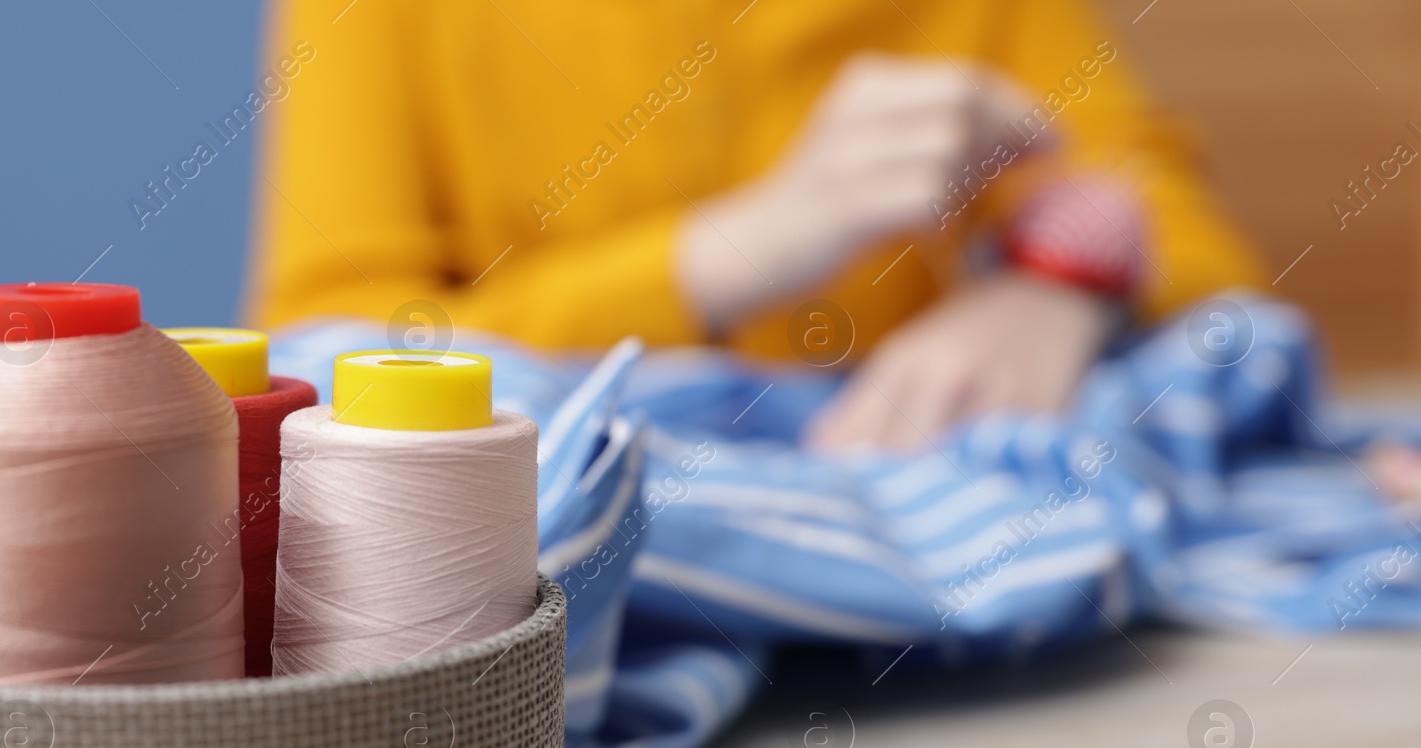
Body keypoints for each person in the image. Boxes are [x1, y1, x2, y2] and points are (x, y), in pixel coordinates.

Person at [244, 0, 1265, 451]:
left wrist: (1053, 285)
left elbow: (1190, 240)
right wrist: (736, 248)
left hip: (913, 560)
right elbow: (325, 348)